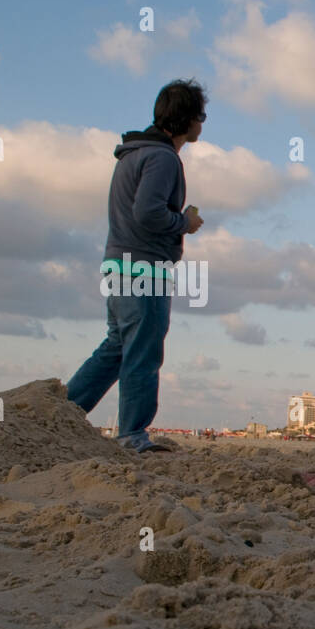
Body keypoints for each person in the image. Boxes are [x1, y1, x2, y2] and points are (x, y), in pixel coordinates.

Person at [66, 79, 207, 452]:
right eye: (202, 116)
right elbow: (147, 212)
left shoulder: (134, 154)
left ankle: (60, 415)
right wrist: (184, 223)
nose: (203, 124)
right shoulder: (162, 158)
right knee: (143, 352)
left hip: (118, 265)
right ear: (189, 121)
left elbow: (138, 210)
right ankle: (131, 436)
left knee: (116, 349)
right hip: (144, 270)